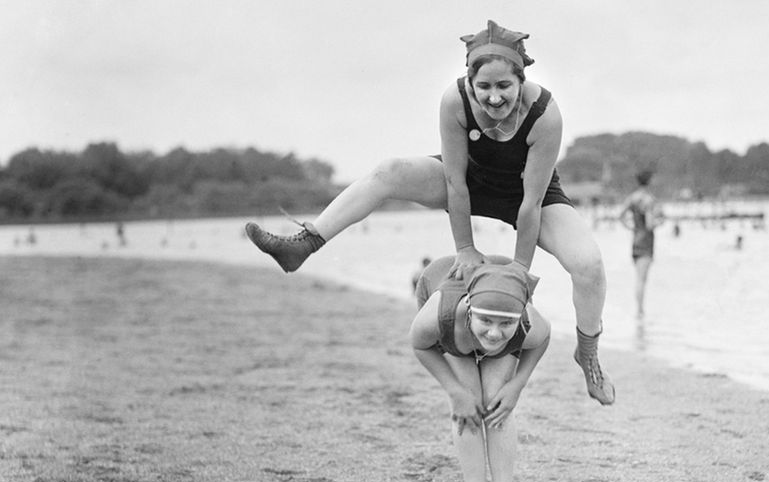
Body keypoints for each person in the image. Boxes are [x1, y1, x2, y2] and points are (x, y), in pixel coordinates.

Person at [244, 20, 614, 405]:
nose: (493, 97)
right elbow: (455, 183)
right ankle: (304, 244)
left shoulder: (544, 113)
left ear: (520, 80)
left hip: (528, 193)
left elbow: (530, 203)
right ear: (469, 83)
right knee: (390, 172)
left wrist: (521, 268)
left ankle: (588, 352)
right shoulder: (454, 101)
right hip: (470, 181)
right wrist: (466, 249)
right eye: (483, 87)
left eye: (504, 86)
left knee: (589, 264)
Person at [411, 256, 550, 482]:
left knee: (497, 402)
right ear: (471, 311)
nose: (494, 332)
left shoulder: (527, 322)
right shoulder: (441, 315)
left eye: (505, 324)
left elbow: (542, 340)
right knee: (468, 404)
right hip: (454, 326)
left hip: (502, 287)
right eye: (486, 321)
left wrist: (518, 386)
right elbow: (419, 344)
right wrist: (455, 391)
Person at [619, 168, 665, 318]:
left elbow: (621, 216)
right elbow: (650, 224)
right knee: (642, 280)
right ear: (649, 181)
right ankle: (640, 310)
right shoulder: (649, 199)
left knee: (638, 277)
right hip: (646, 241)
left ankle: (639, 309)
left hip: (635, 240)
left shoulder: (632, 198)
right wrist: (661, 222)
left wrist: (631, 227)